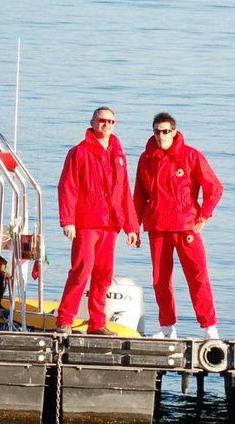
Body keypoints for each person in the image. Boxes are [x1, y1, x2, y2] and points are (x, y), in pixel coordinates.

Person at [132, 113, 224, 340]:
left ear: (173, 131)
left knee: (198, 276)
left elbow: (214, 188)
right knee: (160, 280)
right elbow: (139, 197)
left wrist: (203, 216)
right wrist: (134, 227)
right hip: (157, 226)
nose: (161, 136)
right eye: (156, 131)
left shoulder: (191, 156)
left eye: (165, 131)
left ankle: (209, 327)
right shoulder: (146, 159)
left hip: (186, 226)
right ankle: (167, 328)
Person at [56, 106, 141, 333]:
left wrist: (131, 227)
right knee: (81, 271)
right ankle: (65, 320)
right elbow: (68, 187)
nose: (106, 125)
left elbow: (124, 191)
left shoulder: (119, 155)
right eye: (102, 120)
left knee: (104, 275)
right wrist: (68, 220)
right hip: (86, 223)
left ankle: (97, 323)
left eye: (111, 121)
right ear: (93, 122)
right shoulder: (79, 152)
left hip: (110, 224)